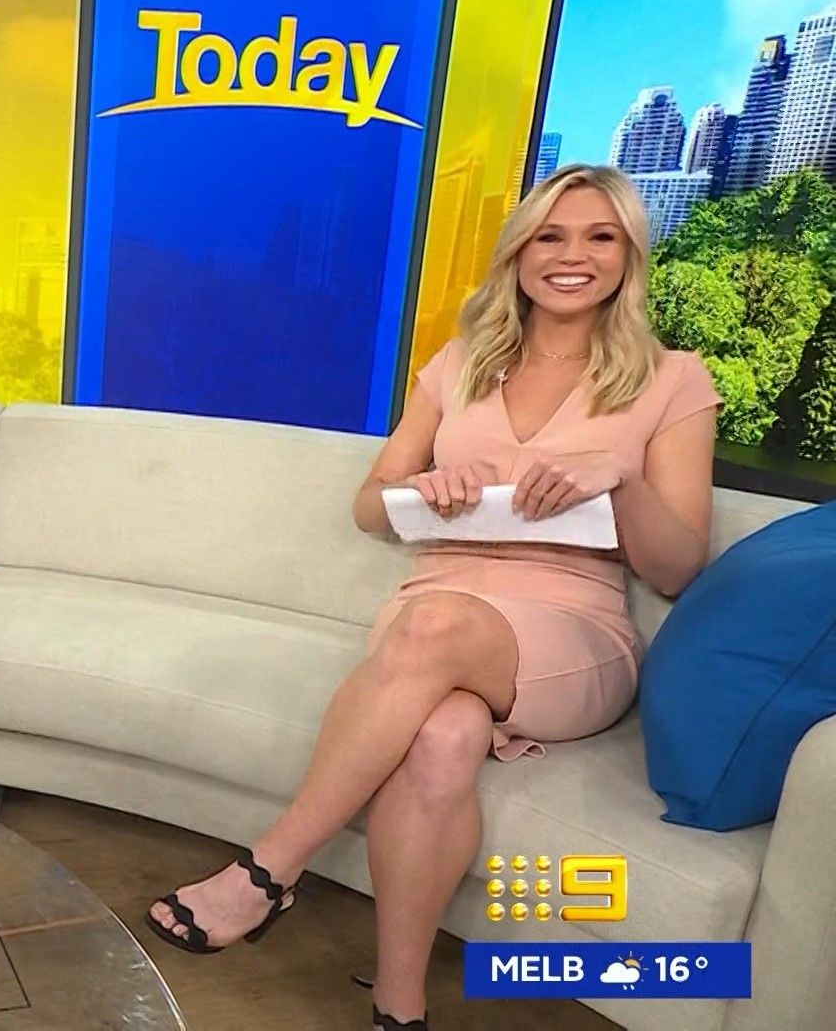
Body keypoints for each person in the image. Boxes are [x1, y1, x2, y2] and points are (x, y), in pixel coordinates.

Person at [144, 164, 722, 1031]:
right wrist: (422, 488)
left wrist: (621, 478)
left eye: (599, 237)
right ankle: (399, 1005)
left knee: (433, 627)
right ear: (519, 253)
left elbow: (677, 568)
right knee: (444, 735)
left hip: (570, 631)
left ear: (629, 256)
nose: (572, 255)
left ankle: (268, 871)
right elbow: (369, 507)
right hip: (435, 601)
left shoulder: (672, 379)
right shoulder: (459, 365)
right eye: (550, 236)